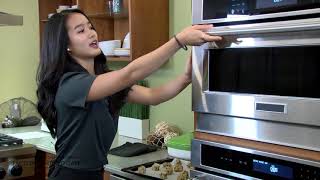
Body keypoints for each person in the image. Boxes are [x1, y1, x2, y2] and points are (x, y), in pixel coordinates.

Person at [36, 9, 221, 180]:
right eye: (81, 30)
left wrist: (186, 78)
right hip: (69, 175)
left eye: (90, 27)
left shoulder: (104, 81)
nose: (92, 33)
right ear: (66, 45)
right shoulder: (70, 84)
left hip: (93, 173)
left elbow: (153, 96)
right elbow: (129, 74)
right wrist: (178, 40)